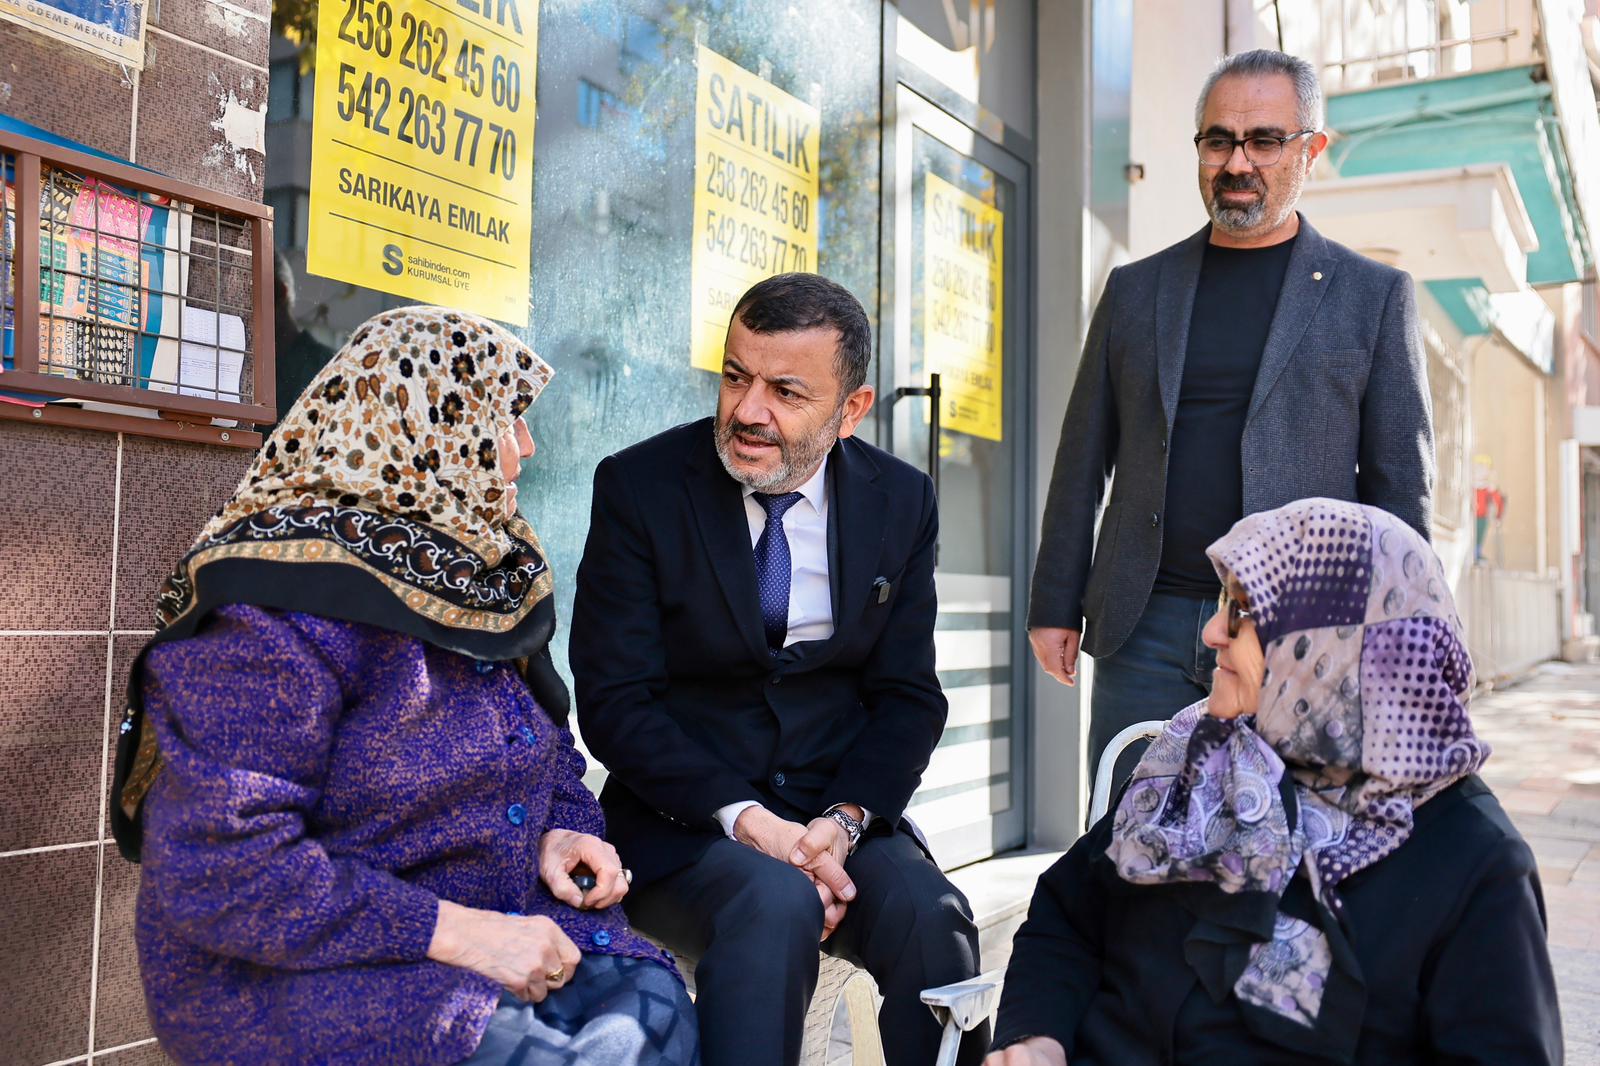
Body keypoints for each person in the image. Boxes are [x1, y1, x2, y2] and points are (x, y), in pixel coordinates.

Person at [110, 306, 699, 1065]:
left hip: (502, 928)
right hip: (313, 977)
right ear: (422, 432)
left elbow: (544, 749)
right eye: (504, 421)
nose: (526, 449)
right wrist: (464, 935)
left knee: (654, 1017)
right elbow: (227, 875)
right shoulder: (269, 618)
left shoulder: (461, 576)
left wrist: (562, 825)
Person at [570, 272, 986, 1066]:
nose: (748, 410)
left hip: (838, 817)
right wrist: (750, 823)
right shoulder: (640, 488)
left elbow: (906, 697)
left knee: (937, 920)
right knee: (772, 902)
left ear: (851, 410)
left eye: (785, 391)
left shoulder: (901, 501)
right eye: (735, 376)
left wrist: (845, 823)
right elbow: (617, 702)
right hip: (683, 825)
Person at [986, 498, 1562, 1066]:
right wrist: (1040, 1039)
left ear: (1335, 648)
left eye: (1242, 611)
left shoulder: (1471, 859)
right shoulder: (1195, 761)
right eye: (1222, 602)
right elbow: (1068, 915)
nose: (1213, 631)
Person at [1027, 49, 1436, 789]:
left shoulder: (1373, 297)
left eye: (1264, 141)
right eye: (1219, 140)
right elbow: (1083, 456)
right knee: (1125, 846)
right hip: (1142, 624)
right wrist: (1055, 600)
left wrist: (1395, 644)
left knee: (1283, 853)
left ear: (1310, 149)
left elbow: (1399, 489)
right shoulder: (1135, 290)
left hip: (1301, 633)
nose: (1237, 162)